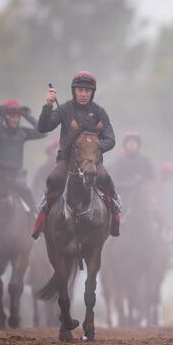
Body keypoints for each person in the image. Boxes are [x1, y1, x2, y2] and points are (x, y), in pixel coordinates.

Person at [32, 70, 122, 239]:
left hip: (92, 161)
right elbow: (43, 128)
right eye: (80, 90)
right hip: (67, 160)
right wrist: (48, 105)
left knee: (105, 178)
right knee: (53, 178)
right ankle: (43, 214)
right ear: (74, 91)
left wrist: (94, 149)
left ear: (92, 93)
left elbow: (110, 138)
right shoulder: (64, 109)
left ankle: (115, 209)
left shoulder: (99, 112)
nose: (83, 94)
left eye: (87, 91)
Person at [0, 99, 46, 213]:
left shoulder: (22, 132)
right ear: (6, 117)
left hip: (16, 176)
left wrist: (27, 116)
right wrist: (1, 117)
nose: (15, 119)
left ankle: (36, 219)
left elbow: (43, 132)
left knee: (30, 200)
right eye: (12, 116)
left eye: (17, 117)